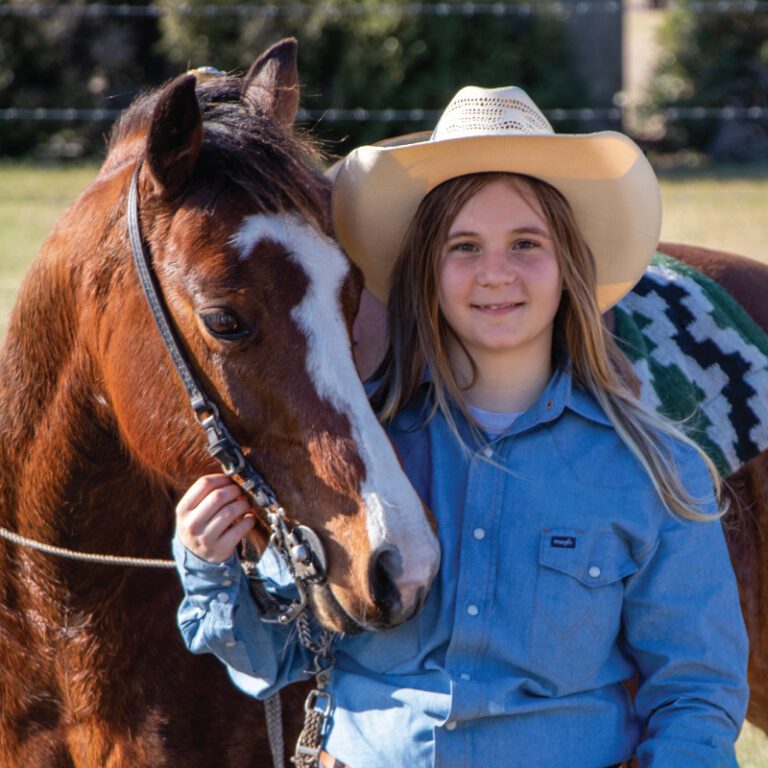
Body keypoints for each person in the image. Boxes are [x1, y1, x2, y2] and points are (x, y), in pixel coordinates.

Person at [172, 85, 749, 768]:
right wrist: (210, 568)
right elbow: (275, 659)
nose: (495, 273)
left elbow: (695, 695)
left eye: (526, 243)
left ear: (568, 266)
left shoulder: (652, 470)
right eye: (464, 246)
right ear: (426, 272)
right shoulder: (361, 453)